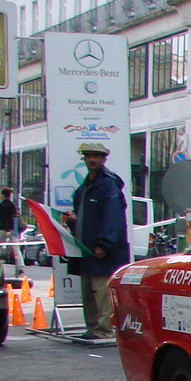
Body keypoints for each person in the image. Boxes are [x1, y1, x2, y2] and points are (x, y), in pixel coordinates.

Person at [61, 141, 129, 340]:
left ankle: (104, 329)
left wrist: (104, 244)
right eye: (89, 155)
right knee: (89, 292)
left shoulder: (107, 185)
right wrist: (74, 221)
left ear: (103, 159)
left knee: (101, 291)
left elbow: (113, 217)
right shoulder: (87, 186)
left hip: (101, 251)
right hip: (86, 249)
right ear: (84, 158)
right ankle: (93, 328)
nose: (92, 159)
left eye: (96, 156)